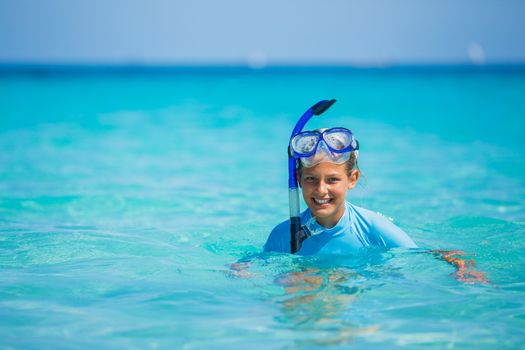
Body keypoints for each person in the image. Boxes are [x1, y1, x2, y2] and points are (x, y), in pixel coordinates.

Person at [264, 125, 418, 255]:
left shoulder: (374, 228)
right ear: (298, 179)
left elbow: (419, 260)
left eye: (332, 180)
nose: (321, 190)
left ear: (352, 179)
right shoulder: (283, 236)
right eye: (311, 179)